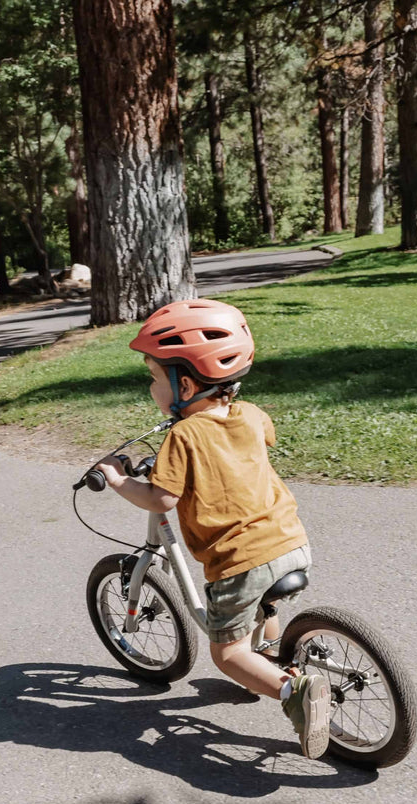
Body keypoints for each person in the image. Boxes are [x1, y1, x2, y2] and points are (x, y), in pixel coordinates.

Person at [95, 297, 331, 758]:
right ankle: (266, 655)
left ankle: (294, 691)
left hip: (239, 561)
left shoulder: (182, 436)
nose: (150, 386)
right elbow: (263, 438)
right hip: (291, 540)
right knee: (264, 607)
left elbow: (160, 498)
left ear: (184, 382)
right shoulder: (252, 414)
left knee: (225, 655)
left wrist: (119, 478)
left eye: (153, 377)